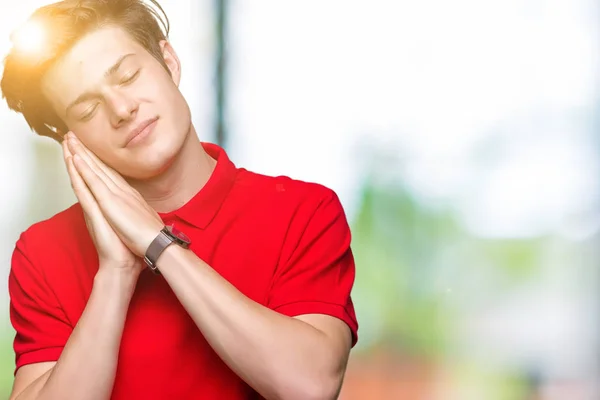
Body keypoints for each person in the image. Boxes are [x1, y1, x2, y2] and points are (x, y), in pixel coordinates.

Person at [1, 1, 359, 399]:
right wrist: (116, 273)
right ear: (71, 139)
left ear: (168, 61)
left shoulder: (303, 211)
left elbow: (310, 387)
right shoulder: (44, 251)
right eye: (87, 110)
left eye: (128, 76)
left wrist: (159, 245)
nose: (122, 109)